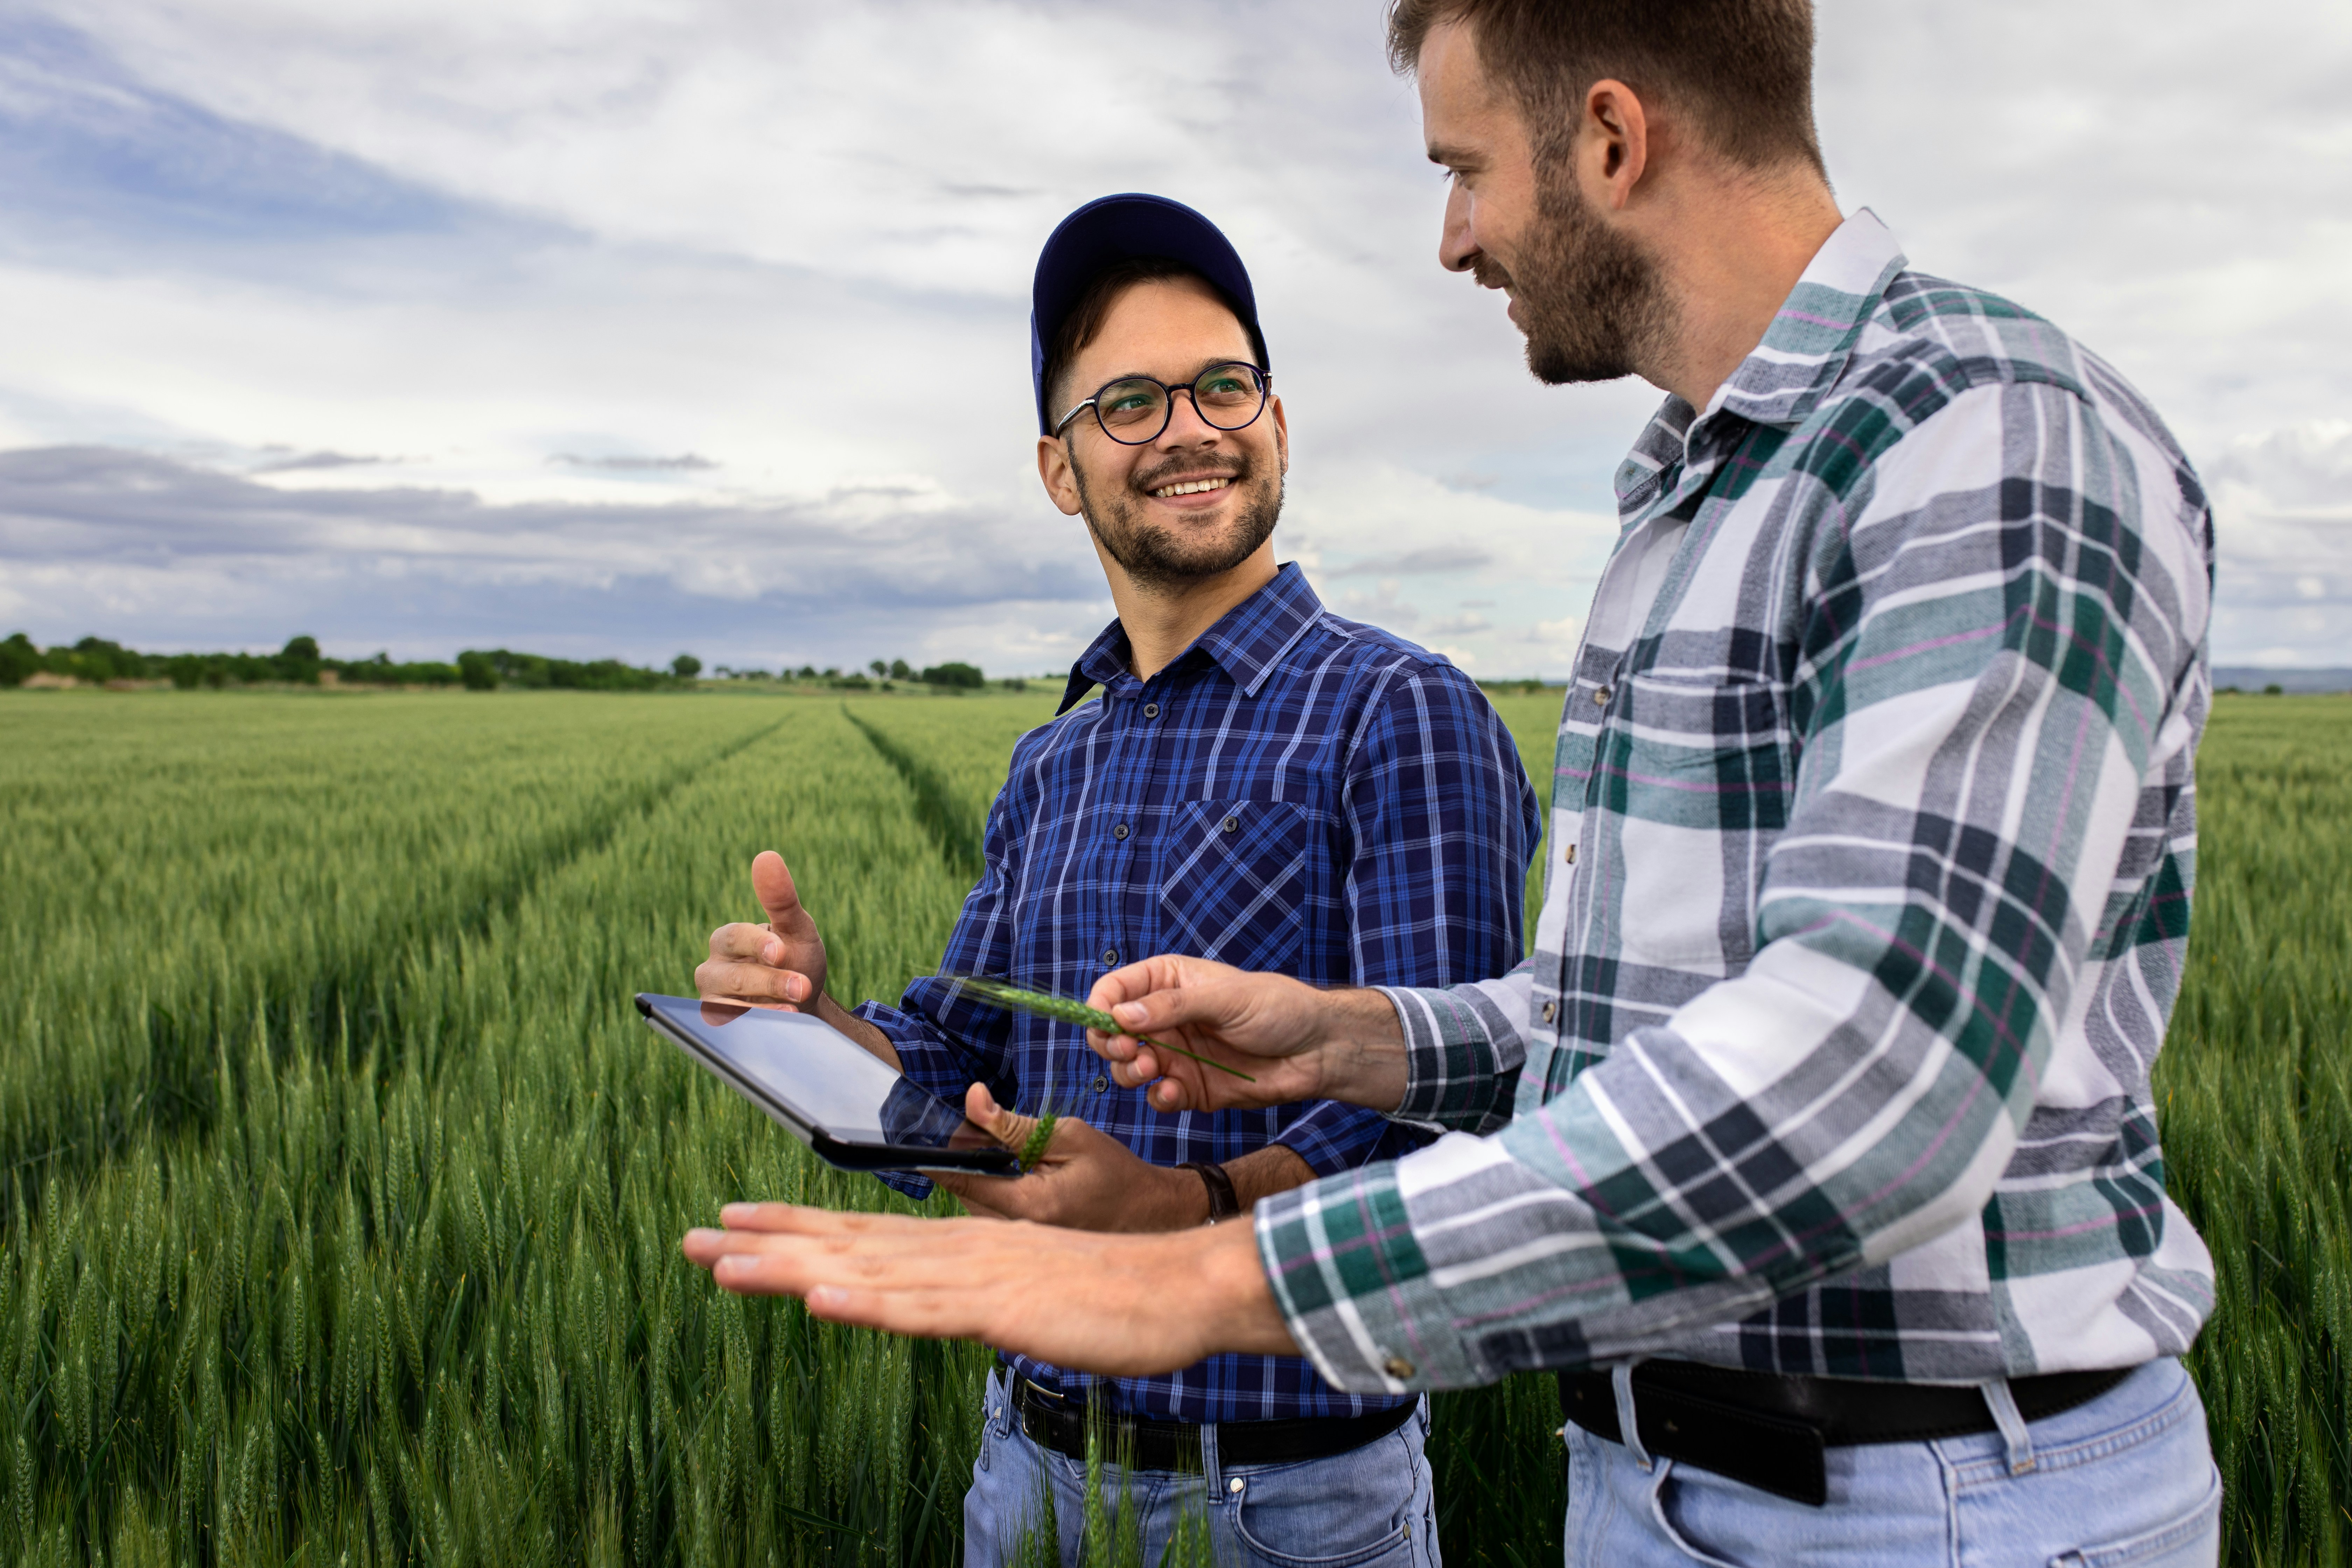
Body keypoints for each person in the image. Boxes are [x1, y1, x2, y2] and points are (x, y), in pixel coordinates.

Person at [683, 2, 2227, 1564]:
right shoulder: (1688, 505)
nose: (1451, 236)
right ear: (1059, 460)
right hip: (1656, 1483)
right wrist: (1342, 1037)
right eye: (1126, 401)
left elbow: (1881, 1074)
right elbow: (1606, 1032)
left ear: (1612, 142)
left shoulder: (1987, 432)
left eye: (1466, 168)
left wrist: (1195, 1267)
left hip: (1933, 1499)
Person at [691, 192, 1541, 1564]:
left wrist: (1174, 1213)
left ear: (1277, 419)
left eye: (1223, 385)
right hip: (1026, 1467)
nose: (1192, 427)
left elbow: (1453, 1126)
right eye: (1131, 401)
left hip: (1282, 1497)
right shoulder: (1052, 763)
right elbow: (958, 1059)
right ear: (1059, 467)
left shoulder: (1401, 711)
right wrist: (813, 1026)